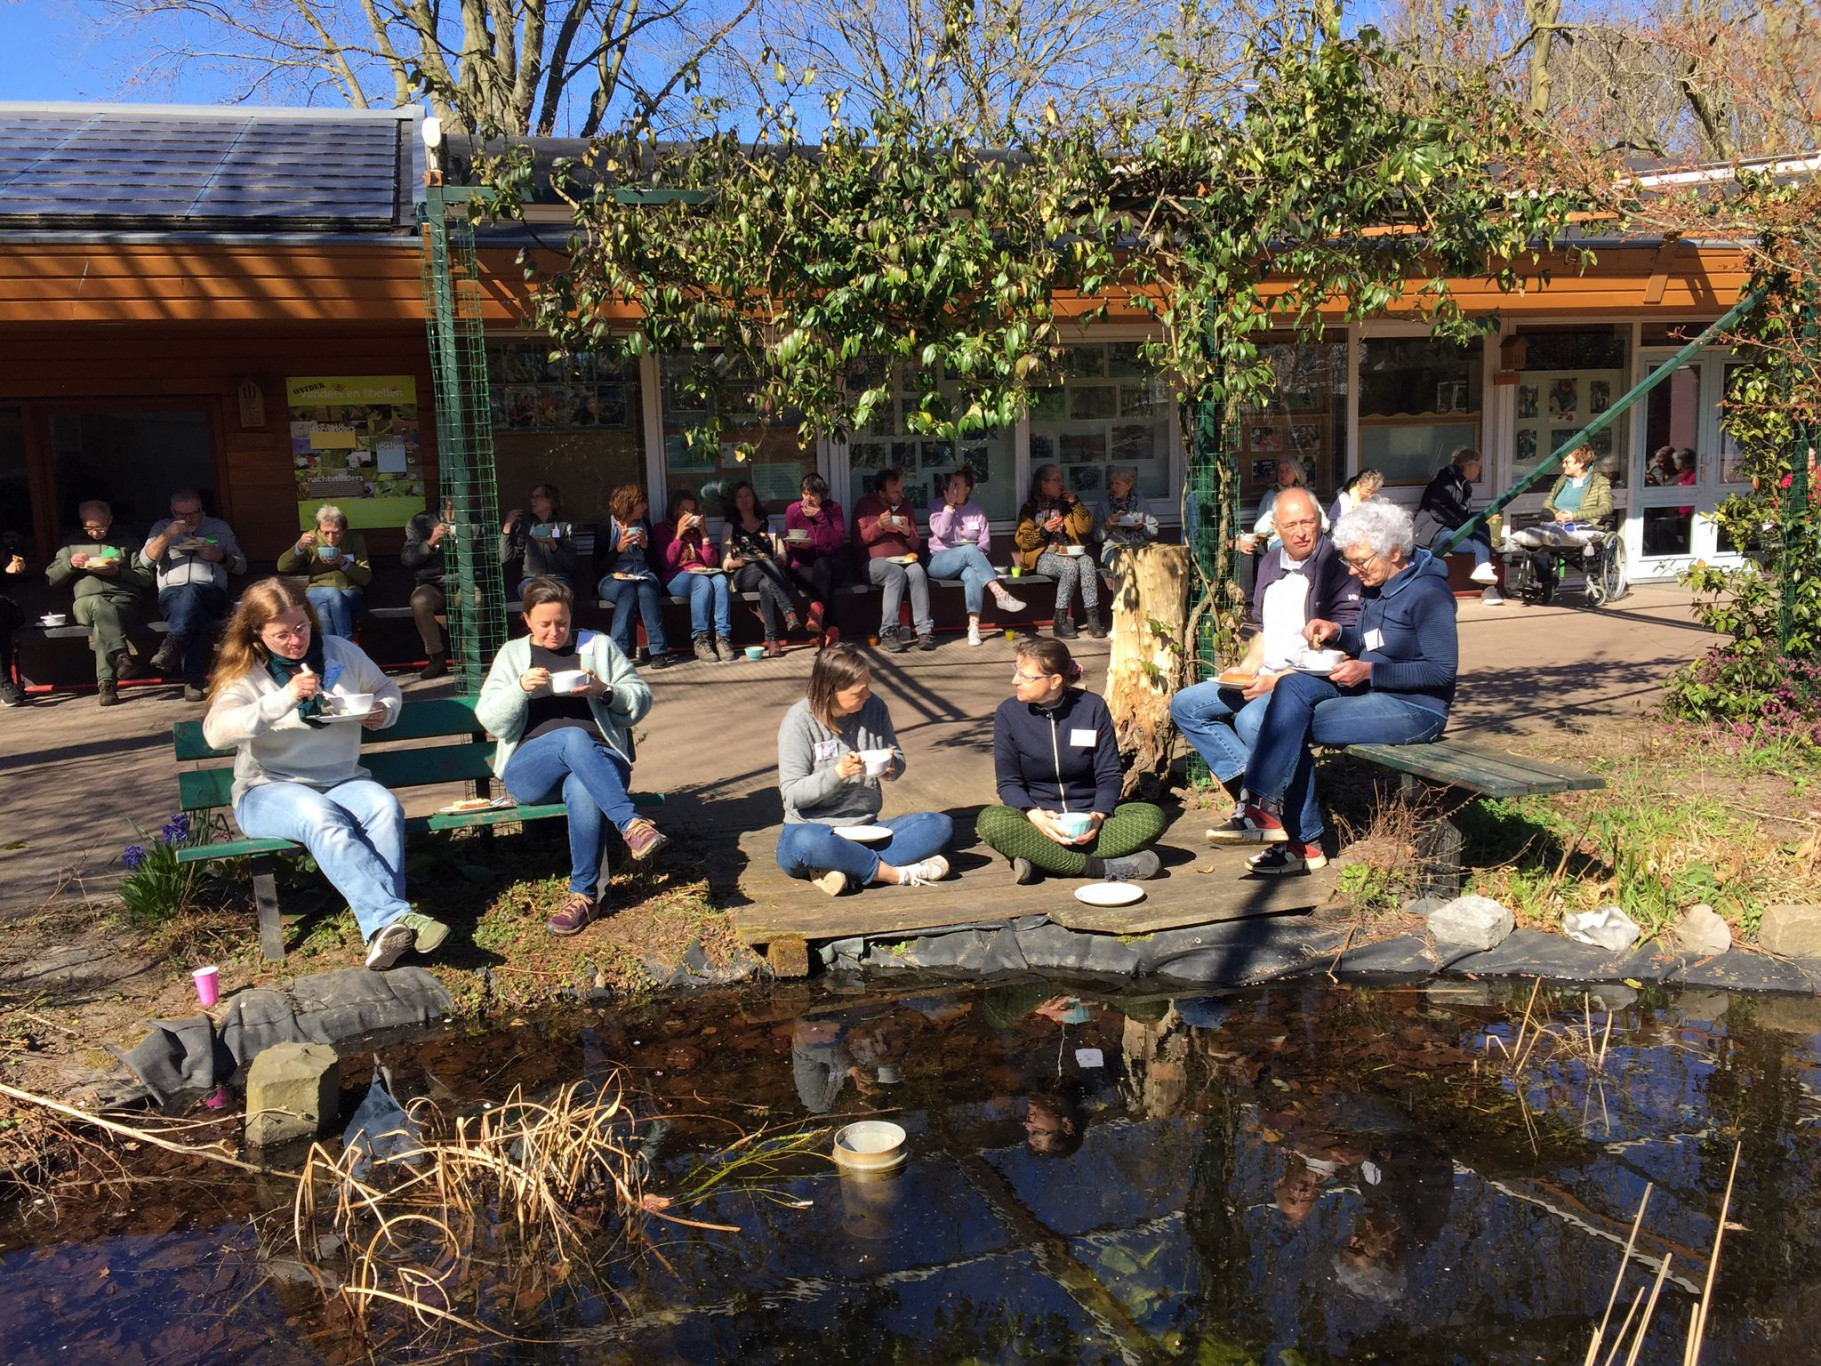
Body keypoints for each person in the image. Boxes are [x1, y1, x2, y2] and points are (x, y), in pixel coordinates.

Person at [201, 577, 444, 970]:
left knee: (383, 806)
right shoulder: (247, 672)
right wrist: (285, 698)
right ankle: (394, 919)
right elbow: (216, 733)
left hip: (342, 779)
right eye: (282, 635)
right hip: (268, 788)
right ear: (258, 635)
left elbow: (386, 688)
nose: (296, 641)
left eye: (301, 628)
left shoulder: (339, 653)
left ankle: (388, 936)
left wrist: (383, 711)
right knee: (320, 816)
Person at [1232, 500, 1456, 874]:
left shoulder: (1429, 594)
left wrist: (1369, 673)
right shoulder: (1376, 585)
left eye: (1361, 563)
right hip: (1373, 694)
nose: (1353, 571)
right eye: (1350, 562)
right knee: (1294, 688)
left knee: (1288, 726)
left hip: (1418, 709)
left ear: (1395, 553)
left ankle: (1299, 841)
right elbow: (1370, 641)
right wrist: (1338, 633)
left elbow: (1442, 671)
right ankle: (1259, 807)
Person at [475, 577, 668, 936]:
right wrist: (518, 689)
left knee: (582, 785)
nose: (554, 632)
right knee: (572, 737)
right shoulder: (513, 655)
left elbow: (640, 697)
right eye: (545, 624)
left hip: (600, 761)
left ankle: (584, 896)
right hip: (531, 768)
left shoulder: (598, 646)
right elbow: (491, 719)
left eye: (561, 623)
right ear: (528, 620)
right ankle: (630, 824)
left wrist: (604, 690)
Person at [1171, 486, 1362, 829]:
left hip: (1304, 683)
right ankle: (1256, 792)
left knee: (1251, 721)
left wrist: (1277, 680)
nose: (1301, 531)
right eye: (1291, 525)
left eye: (1308, 522)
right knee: (1186, 704)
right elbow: (1262, 628)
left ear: (1320, 522)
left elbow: (1342, 643)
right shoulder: (1271, 561)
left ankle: (1281, 814)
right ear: (1275, 527)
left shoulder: (1336, 564)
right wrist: (1245, 667)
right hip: (1263, 676)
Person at [977, 636, 1166, 882]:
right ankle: (1099, 868)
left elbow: (1108, 773)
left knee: (1151, 818)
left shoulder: (1091, 707)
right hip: (1036, 822)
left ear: (1055, 681)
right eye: (1016, 671)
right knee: (992, 822)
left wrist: (1099, 816)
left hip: (1089, 821)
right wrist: (1035, 815)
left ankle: (1041, 860)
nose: (1015, 680)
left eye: (1025, 676)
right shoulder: (1008, 713)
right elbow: (1008, 783)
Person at [776, 642, 952, 896]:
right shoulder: (799, 721)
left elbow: (898, 760)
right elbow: (792, 795)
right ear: (831, 691)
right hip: (812, 828)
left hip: (867, 828)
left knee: (939, 826)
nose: (867, 694)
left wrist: (891, 767)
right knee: (807, 843)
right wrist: (838, 773)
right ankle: (896, 875)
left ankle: (842, 868)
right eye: (859, 692)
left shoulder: (875, 707)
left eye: (869, 686)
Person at [141, 488, 248, 701]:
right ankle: (194, 679)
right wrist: (167, 536)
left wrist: (219, 556)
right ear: (172, 511)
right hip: (172, 595)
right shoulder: (161, 528)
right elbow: (145, 561)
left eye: (193, 513)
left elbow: (241, 566)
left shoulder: (219, 528)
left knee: (193, 595)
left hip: (211, 593)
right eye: (181, 514)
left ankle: (174, 642)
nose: (188, 518)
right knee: (194, 616)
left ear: (202, 509)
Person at [46, 500, 153, 707]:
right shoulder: (72, 545)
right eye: (89, 528)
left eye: (100, 527)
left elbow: (146, 577)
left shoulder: (126, 542)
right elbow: (51, 578)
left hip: (123, 601)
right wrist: (69, 565)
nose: (95, 533)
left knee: (103, 622)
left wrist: (118, 572)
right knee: (99, 604)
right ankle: (121, 654)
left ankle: (107, 686)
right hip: (85, 602)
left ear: (110, 520)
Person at [927, 466, 1025, 647]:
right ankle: (1000, 593)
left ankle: (973, 628)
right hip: (939, 561)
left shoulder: (977, 511)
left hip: (968, 564)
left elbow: (984, 545)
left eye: (957, 485)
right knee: (969, 551)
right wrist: (949, 506)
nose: (952, 487)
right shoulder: (938, 505)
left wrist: (971, 550)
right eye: (951, 483)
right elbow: (941, 531)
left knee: (972, 574)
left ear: (968, 489)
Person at [1508, 444, 1614, 594]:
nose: (1563, 465)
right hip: (1556, 522)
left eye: (1567, 462)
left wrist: (1573, 516)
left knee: (1545, 536)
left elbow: (1606, 508)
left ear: (1581, 463)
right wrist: (1555, 514)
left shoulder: (1599, 482)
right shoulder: (1563, 480)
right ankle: (1546, 581)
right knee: (1536, 543)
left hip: (1582, 524)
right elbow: (1547, 503)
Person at [1013, 465, 1101, 638]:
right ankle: (1060, 621)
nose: (1061, 484)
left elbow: (1086, 528)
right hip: (1042, 556)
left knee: (1088, 562)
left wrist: (1075, 503)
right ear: (1044, 483)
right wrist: (1044, 530)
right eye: (1057, 480)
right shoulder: (1030, 507)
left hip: (1068, 551)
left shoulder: (1067, 505)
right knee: (1069, 566)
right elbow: (1022, 541)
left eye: (1062, 480)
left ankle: (1093, 619)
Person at [854, 468, 935, 652]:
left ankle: (924, 631)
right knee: (895, 572)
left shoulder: (905, 505)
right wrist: (879, 525)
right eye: (895, 491)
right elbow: (858, 541)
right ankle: (889, 632)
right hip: (874, 563)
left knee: (917, 571)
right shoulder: (865, 505)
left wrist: (907, 532)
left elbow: (915, 544)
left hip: (903, 559)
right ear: (881, 493)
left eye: (902, 490)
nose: (901, 494)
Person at [593, 483, 671, 668]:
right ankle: (619, 653)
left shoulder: (645, 524)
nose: (645, 507)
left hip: (643, 574)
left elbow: (656, 564)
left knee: (645, 590)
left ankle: (658, 651)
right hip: (612, 578)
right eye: (641, 502)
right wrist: (618, 549)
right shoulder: (607, 526)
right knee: (626, 591)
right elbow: (597, 566)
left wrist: (645, 546)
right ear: (628, 504)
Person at [721, 481, 801, 657]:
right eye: (739, 497)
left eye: (748, 495)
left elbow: (780, 553)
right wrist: (737, 562)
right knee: (763, 563)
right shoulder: (730, 527)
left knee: (766, 584)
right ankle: (789, 612)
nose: (744, 500)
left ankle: (772, 640)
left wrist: (779, 561)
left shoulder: (767, 523)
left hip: (770, 574)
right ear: (734, 502)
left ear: (754, 498)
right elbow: (725, 562)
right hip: (744, 576)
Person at [654, 488, 735, 663]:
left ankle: (722, 637)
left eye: (692, 510)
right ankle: (701, 639)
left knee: (721, 580)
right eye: (684, 510)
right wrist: (678, 534)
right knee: (702, 583)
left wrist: (704, 533)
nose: (689, 514)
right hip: (676, 577)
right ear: (675, 510)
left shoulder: (697, 531)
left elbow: (711, 562)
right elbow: (666, 563)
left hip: (702, 573)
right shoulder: (661, 529)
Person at [277, 504, 371, 639]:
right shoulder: (311, 539)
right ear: (319, 529)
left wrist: (343, 563)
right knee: (332, 594)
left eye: (336, 532)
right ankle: (346, 645)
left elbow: (365, 578)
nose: (331, 538)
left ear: (344, 530)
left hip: (348, 591)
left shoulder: (354, 540)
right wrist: (299, 546)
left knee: (324, 609)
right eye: (326, 533)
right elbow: (283, 567)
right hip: (317, 591)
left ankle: (329, 652)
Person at [1413, 447, 1499, 585]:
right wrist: (1463, 523)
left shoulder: (1464, 486)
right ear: (1469, 465)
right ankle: (1488, 587)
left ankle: (1486, 581)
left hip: (1449, 530)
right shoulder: (1444, 482)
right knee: (1481, 543)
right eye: (1479, 466)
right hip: (1433, 533)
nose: (1480, 470)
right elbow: (1437, 511)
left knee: (1482, 532)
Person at [782, 473, 848, 647]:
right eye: (805, 493)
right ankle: (831, 630)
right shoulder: (793, 510)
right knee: (822, 583)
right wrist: (796, 545)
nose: (808, 499)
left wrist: (821, 517)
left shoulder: (833, 509)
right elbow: (789, 545)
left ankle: (817, 612)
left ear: (822, 494)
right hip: (803, 564)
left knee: (822, 566)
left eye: (813, 494)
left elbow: (837, 543)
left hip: (831, 564)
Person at [400, 499, 453, 681]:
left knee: (475, 599)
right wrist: (431, 541)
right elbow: (407, 559)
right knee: (419, 601)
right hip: (432, 584)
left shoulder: (475, 519)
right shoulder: (420, 522)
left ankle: (468, 658)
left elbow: (493, 553)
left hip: (464, 582)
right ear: (447, 500)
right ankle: (436, 658)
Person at [499, 483, 576, 597]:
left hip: (558, 578)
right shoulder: (525, 526)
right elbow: (506, 557)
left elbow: (570, 563)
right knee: (537, 595)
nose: (532, 501)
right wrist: (507, 526)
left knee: (558, 595)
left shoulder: (563, 526)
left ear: (550, 501)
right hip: (531, 579)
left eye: (537, 497)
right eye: (532, 497)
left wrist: (553, 545)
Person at [1092, 465, 1160, 590]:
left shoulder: (1140, 502)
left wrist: (1140, 527)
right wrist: (1107, 526)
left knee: (1152, 566)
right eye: (1112, 483)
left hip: (1139, 546)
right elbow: (1096, 537)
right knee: (1125, 565)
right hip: (1114, 549)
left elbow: (1153, 531)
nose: (1113, 487)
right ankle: (1125, 603)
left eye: (1117, 484)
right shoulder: (1104, 504)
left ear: (1129, 485)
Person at [1248, 457, 1327, 554]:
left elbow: (1324, 523)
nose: (1283, 474)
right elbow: (1259, 528)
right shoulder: (1271, 496)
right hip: (1281, 542)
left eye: (1287, 471)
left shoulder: (1307, 495)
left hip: (1307, 540)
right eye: (1280, 471)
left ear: (1296, 474)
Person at [1, 538, 29, 707]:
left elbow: (8, 581)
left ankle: (5, 684)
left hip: (6, 608)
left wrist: (13, 571)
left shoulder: (5, 545)